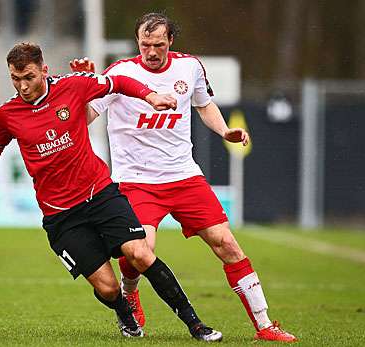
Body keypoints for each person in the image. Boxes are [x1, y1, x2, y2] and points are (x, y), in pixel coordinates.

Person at [0, 42, 222, 341]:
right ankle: (123, 311)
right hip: (62, 216)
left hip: (101, 194)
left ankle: (196, 325)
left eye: (29, 77)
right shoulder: (7, 114)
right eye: (16, 79)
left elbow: (118, 82)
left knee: (140, 253)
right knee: (107, 287)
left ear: (44, 70)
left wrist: (150, 95)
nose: (23, 86)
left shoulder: (74, 86)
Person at [69, 12, 297, 343]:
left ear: (170, 41)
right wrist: (82, 90)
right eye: (144, 44)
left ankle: (265, 325)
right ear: (137, 43)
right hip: (136, 179)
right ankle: (130, 293)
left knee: (227, 244)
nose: (150, 51)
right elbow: (86, 115)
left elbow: (204, 105)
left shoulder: (190, 68)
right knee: (138, 250)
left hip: (183, 175)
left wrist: (224, 131)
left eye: (158, 44)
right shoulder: (120, 73)